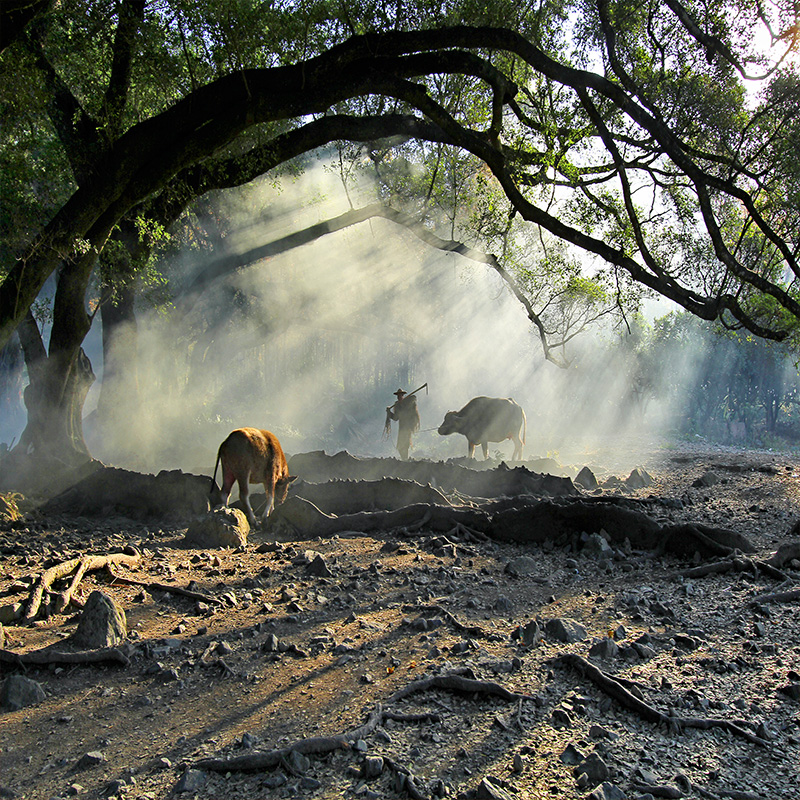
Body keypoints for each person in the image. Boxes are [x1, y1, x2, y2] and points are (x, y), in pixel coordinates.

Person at [385, 388, 420, 460]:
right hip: (401, 428)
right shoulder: (397, 405)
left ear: (403, 395)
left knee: (405, 445)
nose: (399, 397)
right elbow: (395, 418)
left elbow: (414, 398)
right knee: (400, 447)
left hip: (407, 427)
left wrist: (403, 402)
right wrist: (389, 412)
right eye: (398, 396)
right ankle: (404, 459)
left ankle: (405, 460)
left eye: (400, 395)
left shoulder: (407, 403)